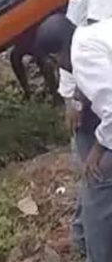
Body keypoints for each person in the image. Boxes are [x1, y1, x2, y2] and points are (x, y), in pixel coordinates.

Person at [50, 0, 112, 256]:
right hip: (95, 94)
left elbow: (93, 51)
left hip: (95, 100)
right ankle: (83, 239)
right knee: (91, 183)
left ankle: (94, 250)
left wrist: (75, 100)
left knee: (97, 182)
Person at [34, 14, 112, 262]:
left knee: (97, 180)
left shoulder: (80, 57)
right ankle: (82, 240)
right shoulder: (93, 33)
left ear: (56, 58)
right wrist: (78, 97)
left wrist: (97, 151)